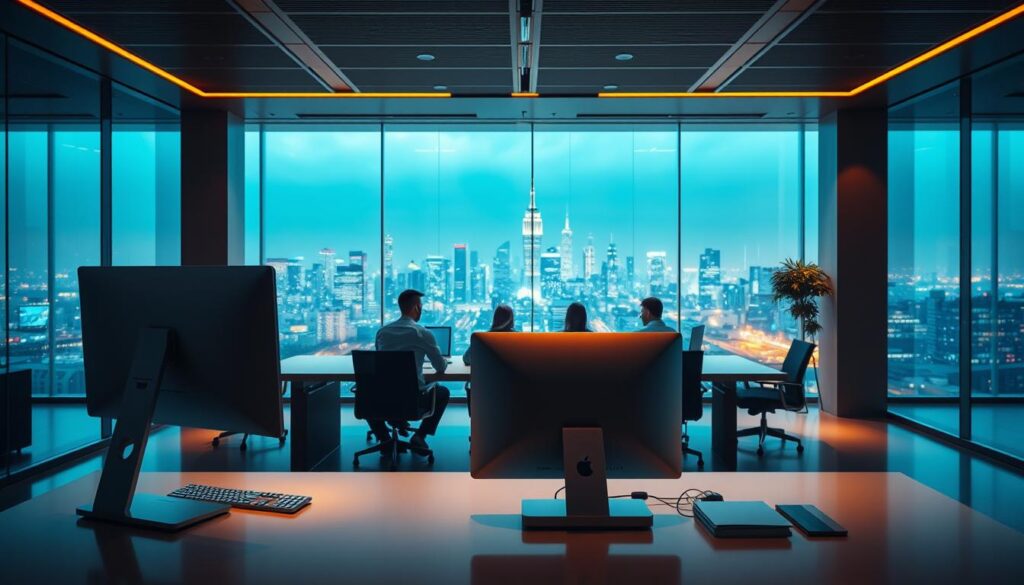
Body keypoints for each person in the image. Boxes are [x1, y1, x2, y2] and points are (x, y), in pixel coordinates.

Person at [371, 289, 450, 451]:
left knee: (366, 393)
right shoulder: (422, 333)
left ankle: (384, 438)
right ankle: (420, 436)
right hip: (414, 400)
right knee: (443, 392)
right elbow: (440, 367)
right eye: (421, 306)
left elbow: (382, 363)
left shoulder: (382, 332)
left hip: (382, 398)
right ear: (416, 308)